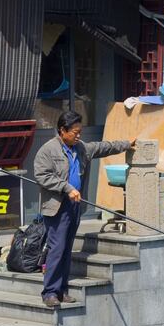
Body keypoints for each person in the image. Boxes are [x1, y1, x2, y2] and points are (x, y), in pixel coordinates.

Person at [34, 111, 136, 307]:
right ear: (62, 131)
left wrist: (126, 144)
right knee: (57, 248)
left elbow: (102, 148)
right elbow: (42, 175)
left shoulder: (80, 148)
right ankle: (50, 292)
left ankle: (62, 290)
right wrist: (67, 188)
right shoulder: (48, 150)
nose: (78, 136)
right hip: (57, 207)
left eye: (80, 132)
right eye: (74, 132)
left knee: (67, 249)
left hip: (75, 206)